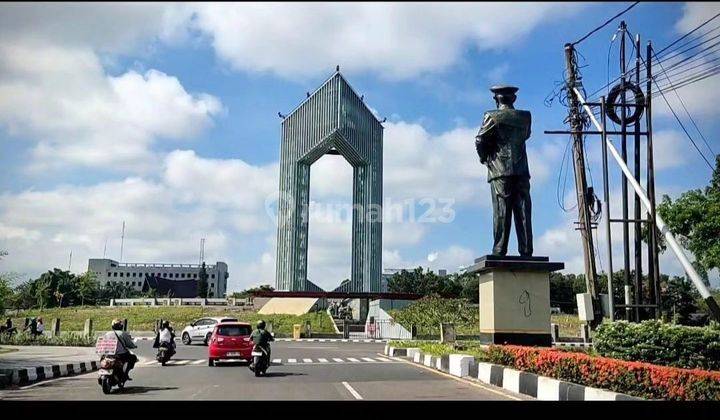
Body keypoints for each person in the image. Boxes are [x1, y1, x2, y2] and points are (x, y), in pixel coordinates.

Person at [475, 85, 533, 257]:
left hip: (500, 170)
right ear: (514, 99)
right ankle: (526, 249)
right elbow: (526, 135)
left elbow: (480, 140)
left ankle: (500, 249)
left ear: (496, 99)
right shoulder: (525, 117)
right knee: (523, 211)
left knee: (502, 211)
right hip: (521, 169)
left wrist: (485, 158)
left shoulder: (492, 116)